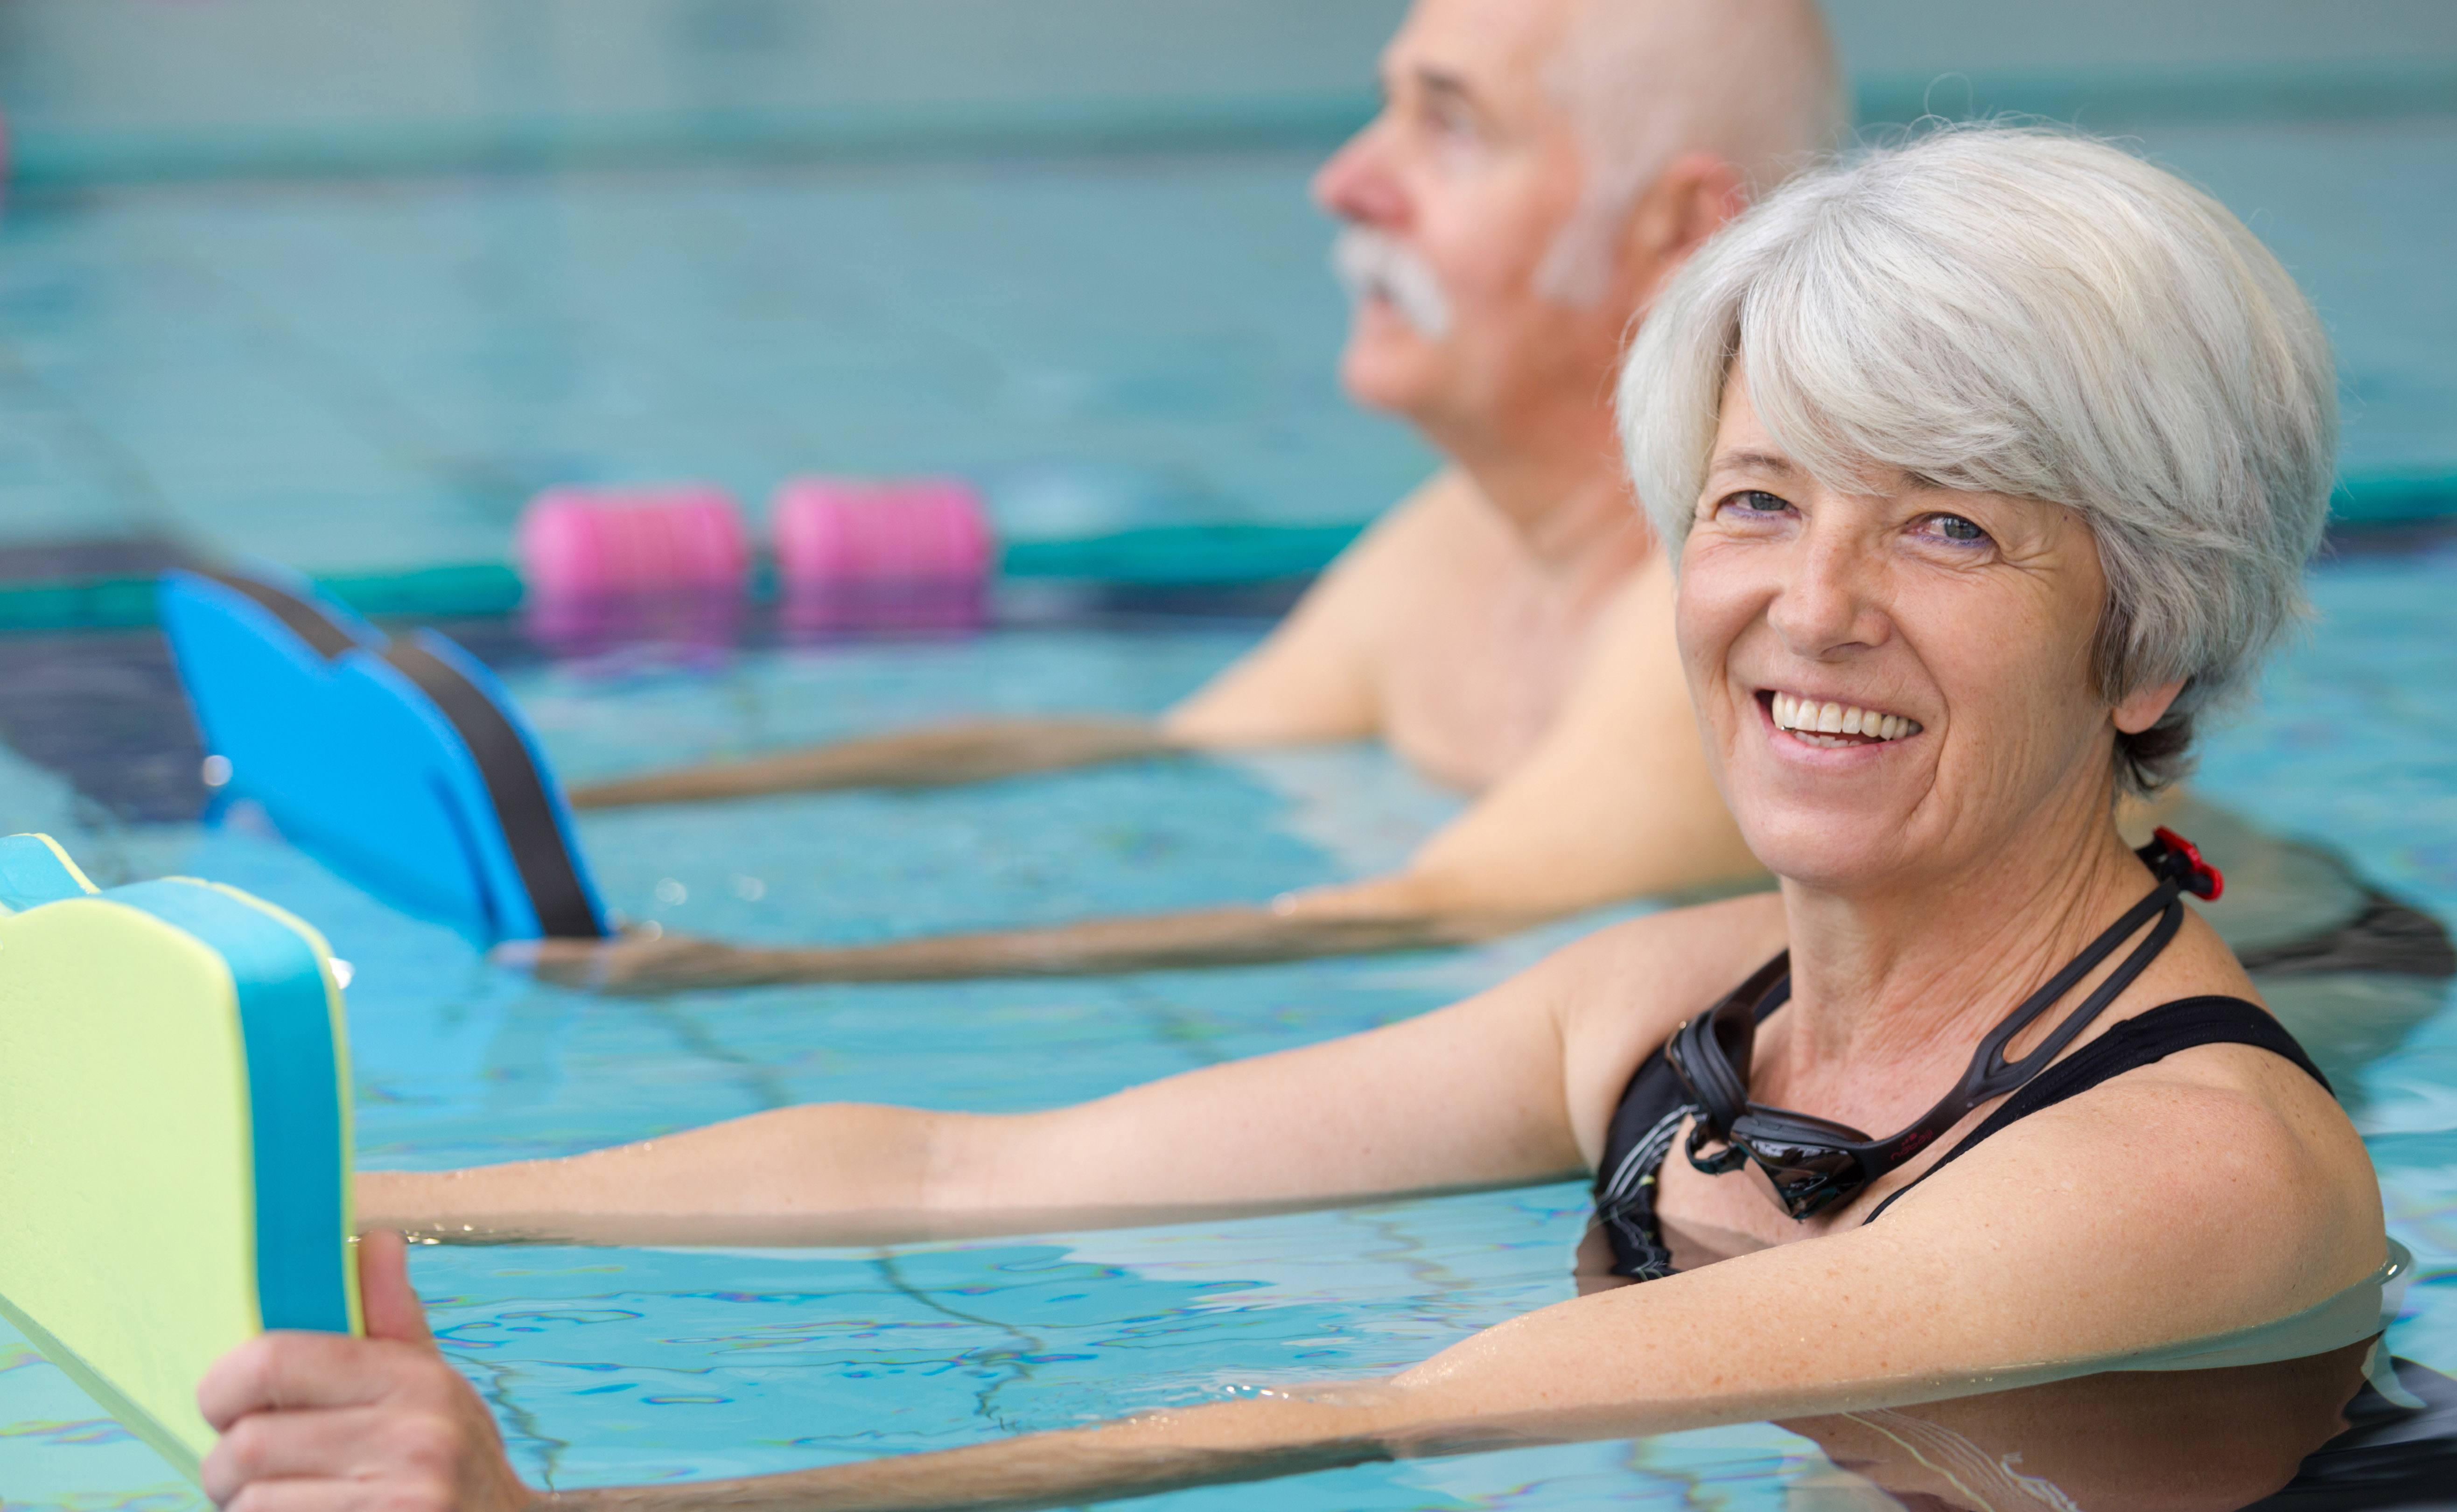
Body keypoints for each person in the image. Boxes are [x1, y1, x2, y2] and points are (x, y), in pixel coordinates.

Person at [200, 126, 2457, 1511]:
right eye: (1758, 501)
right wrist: (291, 1184)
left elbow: (1356, 1414)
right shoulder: (1671, 1009)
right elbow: (970, 1171)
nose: (1809, 608)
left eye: (1952, 531)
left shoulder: (2191, 1166)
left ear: (2144, 642)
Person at [523, 0, 1844, 990]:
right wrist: (582, 805)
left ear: (1679, 237)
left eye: (1449, 128)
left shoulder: (1716, 638)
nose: (1347, 181)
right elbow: (1159, 754)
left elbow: (1427, 913)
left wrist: (766, 974)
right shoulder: (1464, 540)